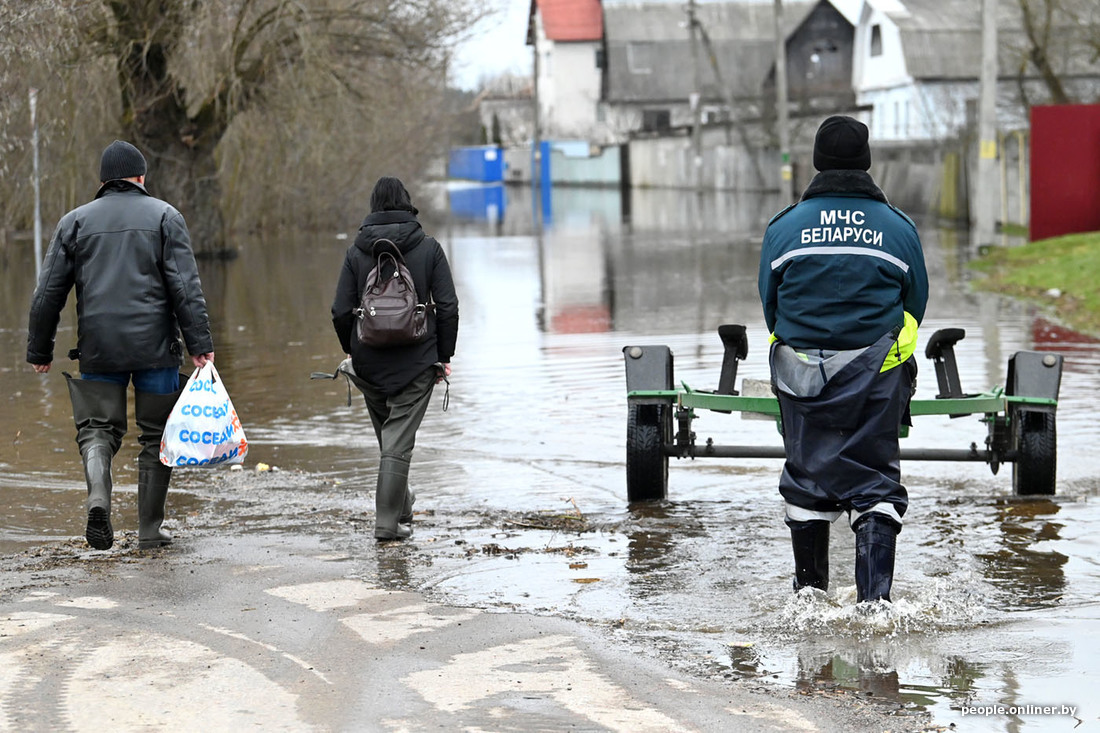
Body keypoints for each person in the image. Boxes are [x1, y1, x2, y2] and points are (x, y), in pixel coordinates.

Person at [758, 115, 929, 602]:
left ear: (816, 163)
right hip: (877, 377)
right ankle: (875, 605)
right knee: (875, 481)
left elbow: (771, 307)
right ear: (866, 163)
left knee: (807, 478)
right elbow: (915, 304)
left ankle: (808, 600)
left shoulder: (784, 228)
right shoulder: (898, 229)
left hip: (799, 377)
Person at [27, 140, 215, 551]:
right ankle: (150, 530)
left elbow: (47, 294)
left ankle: (98, 498)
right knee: (157, 434)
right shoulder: (166, 216)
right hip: (156, 348)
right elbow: (186, 287)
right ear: (141, 177)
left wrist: (39, 351)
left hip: (99, 347)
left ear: (102, 181)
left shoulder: (73, 222)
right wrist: (199, 343)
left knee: (97, 429)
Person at [331, 176, 459, 541]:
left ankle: (402, 507)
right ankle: (387, 524)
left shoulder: (357, 251)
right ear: (407, 204)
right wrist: (443, 355)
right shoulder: (429, 248)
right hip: (417, 362)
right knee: (397, 444)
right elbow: (448, 307)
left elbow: (340, 310)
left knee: (391, 442)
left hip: (369, 363)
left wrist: (351, 350)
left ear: (373, 207)